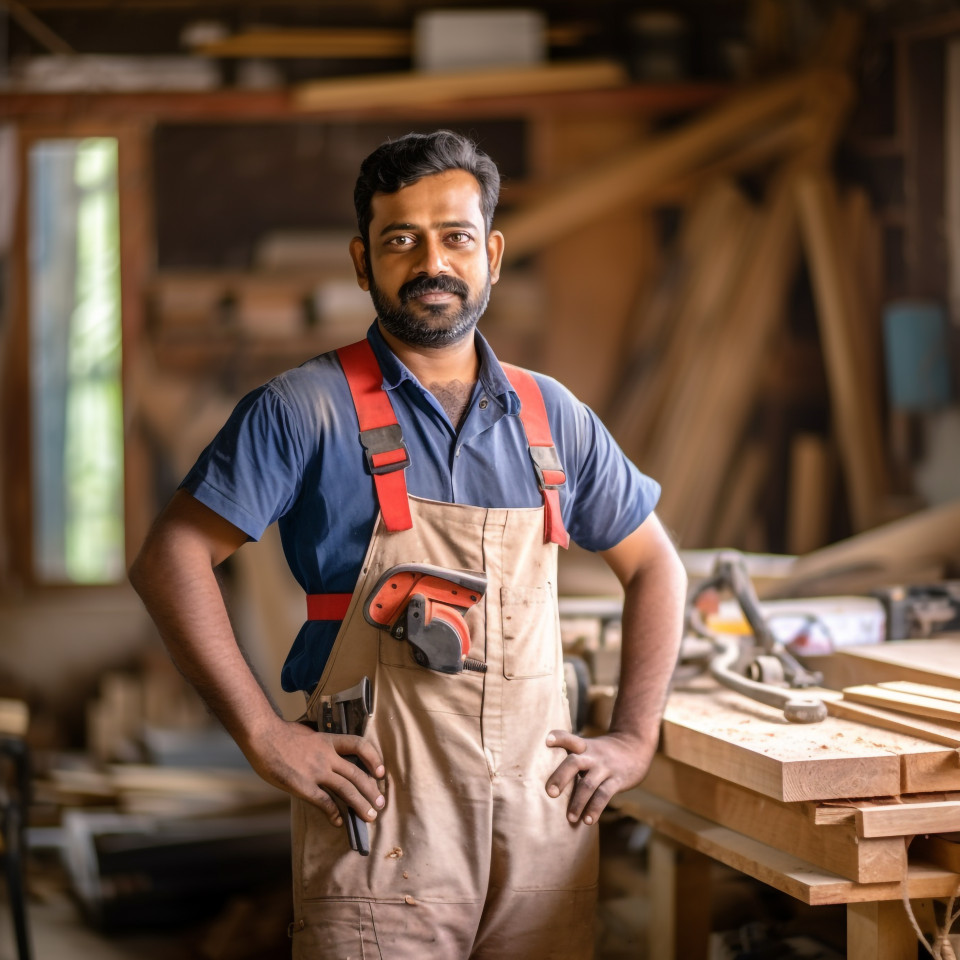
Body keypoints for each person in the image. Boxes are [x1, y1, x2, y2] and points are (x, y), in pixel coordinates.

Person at [129, 129, 686, 959]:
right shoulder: (303, 409)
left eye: (456, 237)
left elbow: (656, 568)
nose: (433, 261)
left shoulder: (552, 418)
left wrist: (634, 736)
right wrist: (264, 734)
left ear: (491, 254)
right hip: (379, 826)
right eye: (401, 240)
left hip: (540, 832)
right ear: (363, 263)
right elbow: (170, 561)